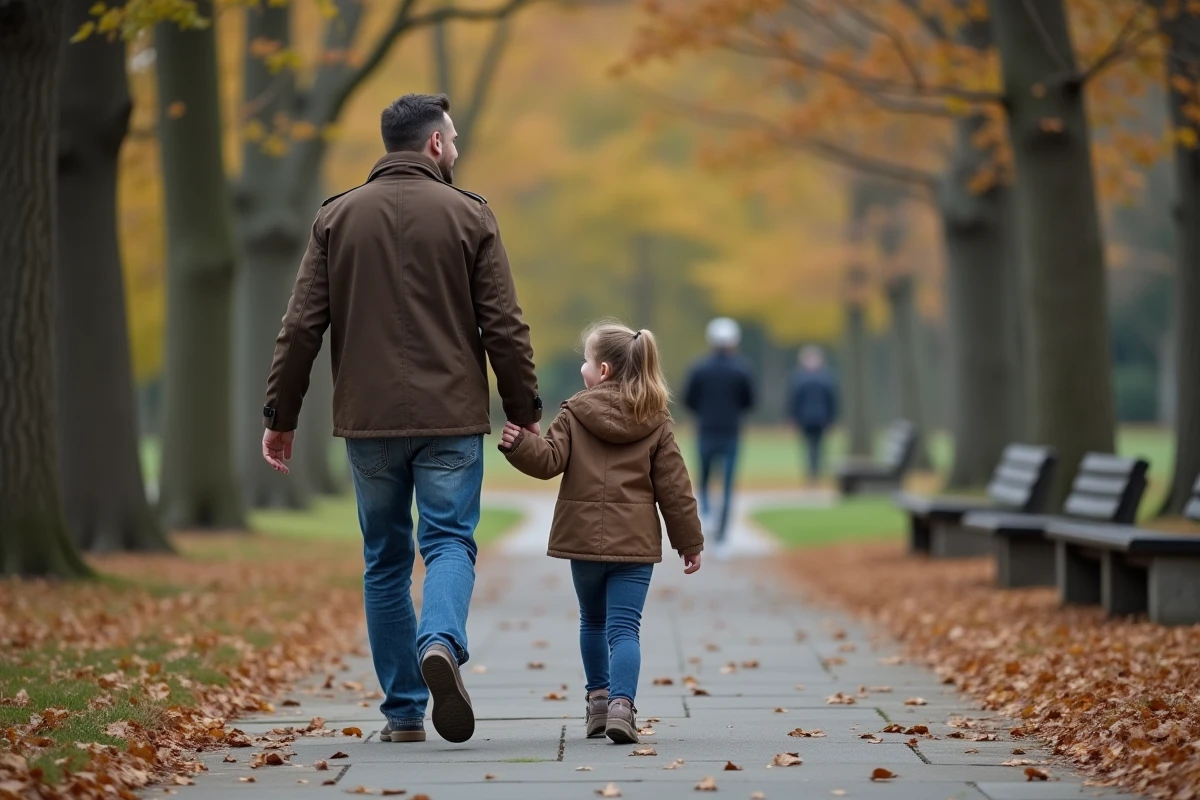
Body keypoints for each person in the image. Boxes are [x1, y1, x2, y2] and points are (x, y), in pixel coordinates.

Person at [259, 93, 542, 745]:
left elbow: (300, 327)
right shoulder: (470, 215)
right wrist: (523, 410)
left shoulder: (336, 218)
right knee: (447, 541)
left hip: (368, 422)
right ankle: (439, 639)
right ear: (435, 145)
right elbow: (504, 324)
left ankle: (405, 712)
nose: (458, 149)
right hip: (451, 418)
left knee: (384, 559)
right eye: (455, 139)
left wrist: (282, 414)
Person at [497, 321, 703, 744]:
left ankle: (596, 703)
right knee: (625, 629)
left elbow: (550, 460)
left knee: (592, 621)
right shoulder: (656, 421)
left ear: (604, 370)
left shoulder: (575, 411)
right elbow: (675, 488)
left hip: (583, 541)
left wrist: (519, 444)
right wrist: (689, 542)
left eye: (586, 361)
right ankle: (622, 708)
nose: (582, 370)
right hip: (634, 546)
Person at [683, 317, 755, 559]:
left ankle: (706, 513)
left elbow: (688, 399)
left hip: (706, 430)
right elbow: (749, 402)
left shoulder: (699, 368)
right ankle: (722, 539)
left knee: (703, 477)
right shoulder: (742, 369)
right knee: (727, 485)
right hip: (731, 432)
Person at [787, 345, 838, 485]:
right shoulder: (802, 378)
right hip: (806, 418)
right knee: (809, 447)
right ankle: (812, 473)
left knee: (818, 447)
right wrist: (793, 417)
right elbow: (793, 399)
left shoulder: (823, 378)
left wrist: (832, 418)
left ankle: (815, 473)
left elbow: (832, 400)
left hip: (820, 418)